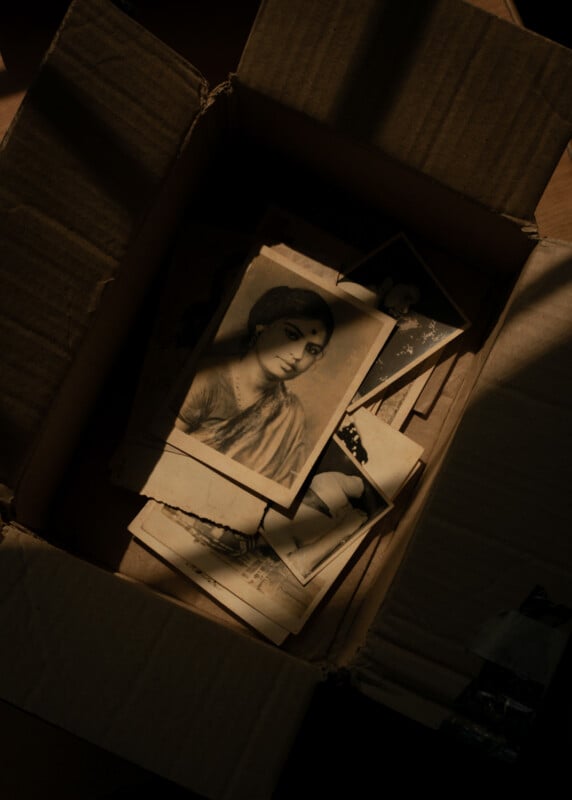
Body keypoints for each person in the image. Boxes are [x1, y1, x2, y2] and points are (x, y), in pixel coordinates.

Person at [174, 285, 335, 487]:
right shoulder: (207, 378)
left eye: (312, 350)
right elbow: (159, 447)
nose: (298, 355)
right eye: (292, 335)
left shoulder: (291, 414)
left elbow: (279, 487)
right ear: (262, 326)